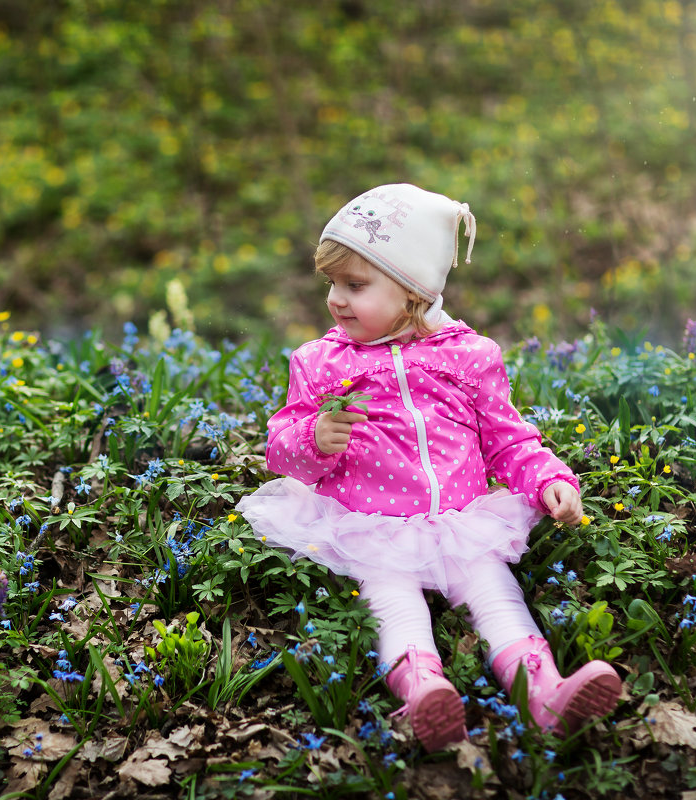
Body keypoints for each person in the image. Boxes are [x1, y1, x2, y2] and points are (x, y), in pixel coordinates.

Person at [238, 183, 621, 751]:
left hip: (460, 521)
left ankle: (545, 693)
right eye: (333, 284)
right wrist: (316, 438)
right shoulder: (321, 363)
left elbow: (507, 438)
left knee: (494, 593)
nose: (337, 300)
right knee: (394, 601)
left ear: (414, 291)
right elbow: (281, 451)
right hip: (369, 526)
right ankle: (422, 692)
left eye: (356, 285)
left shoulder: (467, 357)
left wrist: (549, 478)